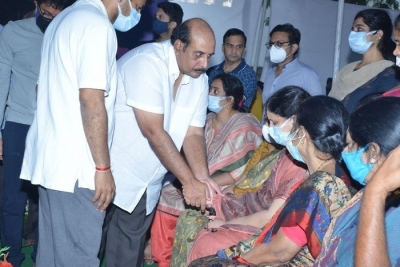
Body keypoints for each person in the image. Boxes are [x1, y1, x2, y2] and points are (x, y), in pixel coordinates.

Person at [19, 0, 145, 266]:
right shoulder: (97, 26)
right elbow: (90, 99)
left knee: (51, 257)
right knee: (78, 257)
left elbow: (42, 89)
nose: (138, 13)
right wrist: (102, 168)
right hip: (77, 168)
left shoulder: (63, 20)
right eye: (140, 5)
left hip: (53, 162)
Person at [102, 18, 217, 267]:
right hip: (109, 171)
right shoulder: (147, 62)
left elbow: (193, 133)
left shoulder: (200, 77)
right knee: (89, 248)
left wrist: (201, 179)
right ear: (178, 45)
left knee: (126, 256)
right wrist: (188, 181)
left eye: (209, 56)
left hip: (146, 181)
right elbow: (153, 130)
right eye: (199, 54)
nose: (205, 63)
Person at [190, 96, 352, 267]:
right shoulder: (337, 174)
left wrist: (234, 259)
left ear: (302, 133)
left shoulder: (317, 187)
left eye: (294, 128)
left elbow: (280, 252)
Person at [170, 86, 311, 266]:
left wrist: (224, 224)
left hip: (266, 228)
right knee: (196, 214)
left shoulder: (298, 165)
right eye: (267, 121)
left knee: (206, 241)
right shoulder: (287, 152)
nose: (268, 128)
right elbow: (254, 186)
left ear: (294, 121)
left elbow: (270, 218)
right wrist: (221, 202)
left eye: (274, 123)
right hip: (253, 208)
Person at [149, 73, 263, 267]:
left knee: (180, 199)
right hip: (200, 180)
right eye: (210, 90)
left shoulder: (246, 125)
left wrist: (201, 185)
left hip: (229, 186)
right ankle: (163, 259)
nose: (210, 94)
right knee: (166, 193)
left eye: (215, 91)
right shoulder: (207, 120)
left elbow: (241, 173)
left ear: (229, 100)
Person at [0, 0, 74, 266]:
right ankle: (9, 258)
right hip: (18, 123)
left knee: (51, 199)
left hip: (56, 127)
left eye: (57, 15)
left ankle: (46, 257)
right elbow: (0, 82)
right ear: (36, 4)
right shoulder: (13, 32)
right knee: (13, 199)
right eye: (45, 13)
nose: (50, 19)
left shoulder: (72, 33)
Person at [314, 96, 400, 267]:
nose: (344, 151)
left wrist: (376, 190)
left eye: (351, 145)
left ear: (373, 152)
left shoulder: (392, 214)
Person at [329, 9, 400, 113]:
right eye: (352, 29)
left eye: (359, 29)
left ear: (378, 35)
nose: (353, 34)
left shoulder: (390, 73)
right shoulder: (347, 70)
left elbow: (384, 113)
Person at [262, 23, 324, 104]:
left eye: (279, 44)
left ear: (293, 48)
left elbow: (318, 107)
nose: (273, 48)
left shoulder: (307, 74)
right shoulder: (270, 72)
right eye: (271, 44)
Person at [206, 28, 257, 110]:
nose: (234, 51)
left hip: (234, 121)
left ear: (244, 50)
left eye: (239, 47)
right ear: (223, 48)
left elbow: (236, 103)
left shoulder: (249, 75)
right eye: (230, 46)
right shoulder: (212, 71)